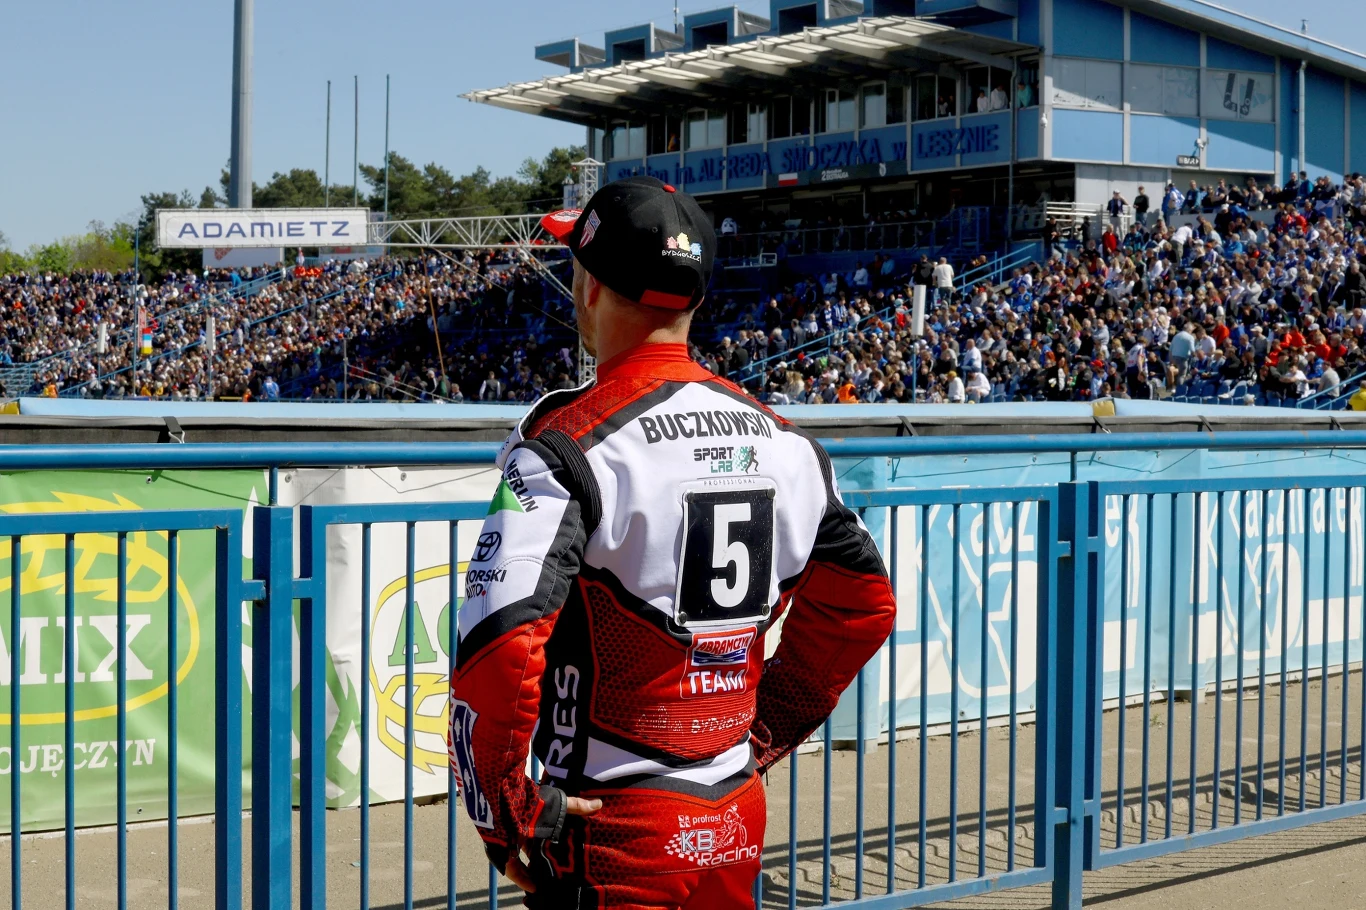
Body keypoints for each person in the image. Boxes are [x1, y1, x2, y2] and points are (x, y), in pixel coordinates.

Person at [449, 176, 896, 909]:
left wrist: (506, 815)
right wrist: (761, 732)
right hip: (731, 812)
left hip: (612, 829)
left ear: (589, 288)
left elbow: (501, 645)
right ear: (691, 299)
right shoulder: (786, 444)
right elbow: (864, 607)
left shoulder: (566, 448)